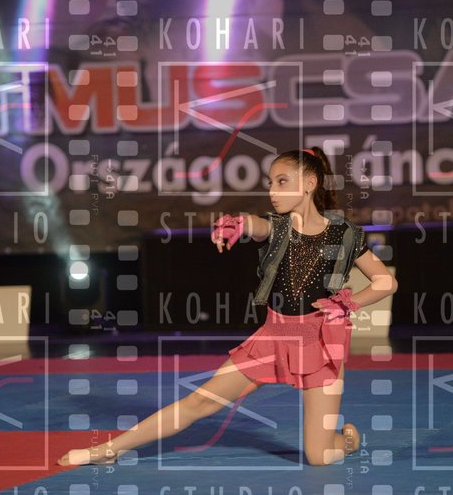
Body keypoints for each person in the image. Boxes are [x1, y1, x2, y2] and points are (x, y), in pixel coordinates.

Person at [57, 147, 398, 467]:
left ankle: (347, 441)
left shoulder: (344, 234)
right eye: (270, 183)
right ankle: (107, 450)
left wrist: (349, 302)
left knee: (319, 457)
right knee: (199, 402)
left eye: (282, 182)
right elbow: (256, 224)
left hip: (319, 342)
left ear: (310, 184)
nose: (273, 192)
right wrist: (239, 222)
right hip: (274, 337)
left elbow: (386, 282)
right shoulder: (277, 227)